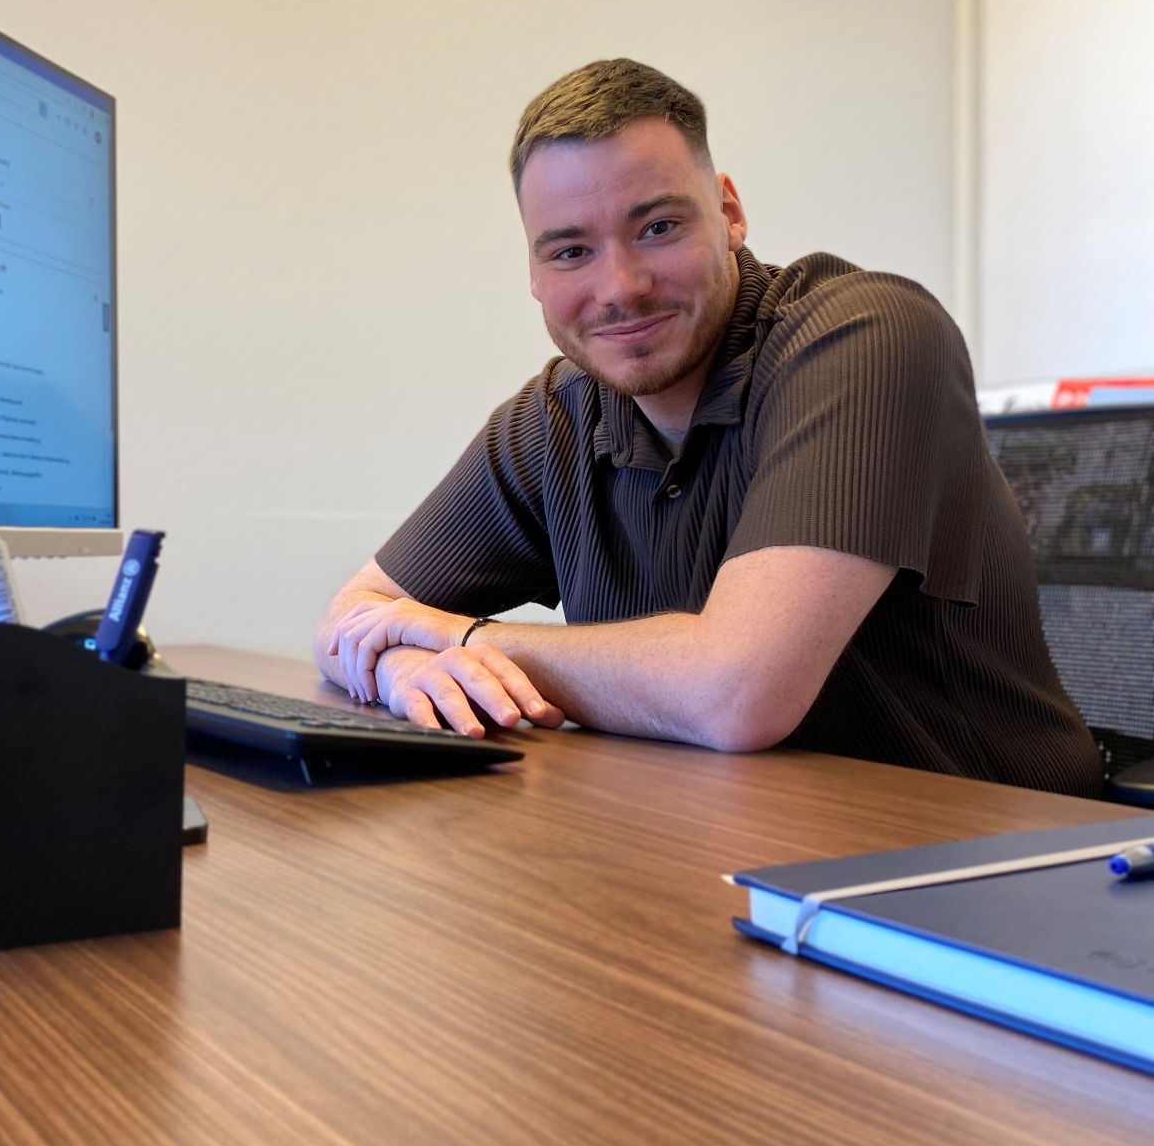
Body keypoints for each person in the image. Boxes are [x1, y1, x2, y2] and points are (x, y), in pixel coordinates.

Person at [313, 58, 1103, 796]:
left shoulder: (869, 338)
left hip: (985, 868)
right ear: (532, 272)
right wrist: (396, 668)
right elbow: (354, 617)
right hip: (718, 845)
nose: (619, 287)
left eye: (657, 228)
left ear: (728, 212)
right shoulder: (554, 418)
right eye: (570, 251)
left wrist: (463, 639)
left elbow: (737, 694)